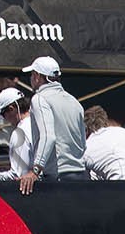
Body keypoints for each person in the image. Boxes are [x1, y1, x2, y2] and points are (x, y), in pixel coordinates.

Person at [19, 55, 87, 194]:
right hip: (81, 176)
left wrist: (35, 171)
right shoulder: (74, 102)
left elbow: (48, 137)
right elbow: (83, 143)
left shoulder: (39, 99)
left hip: (58, 178)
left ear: (37, 76)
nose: (30, 79)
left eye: (32, 74)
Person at [0, 88, 33, 181]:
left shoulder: (19, 133)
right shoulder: (38, 123)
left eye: (3, 115)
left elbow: (17, 175)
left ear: (11, 109)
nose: (4, 119)